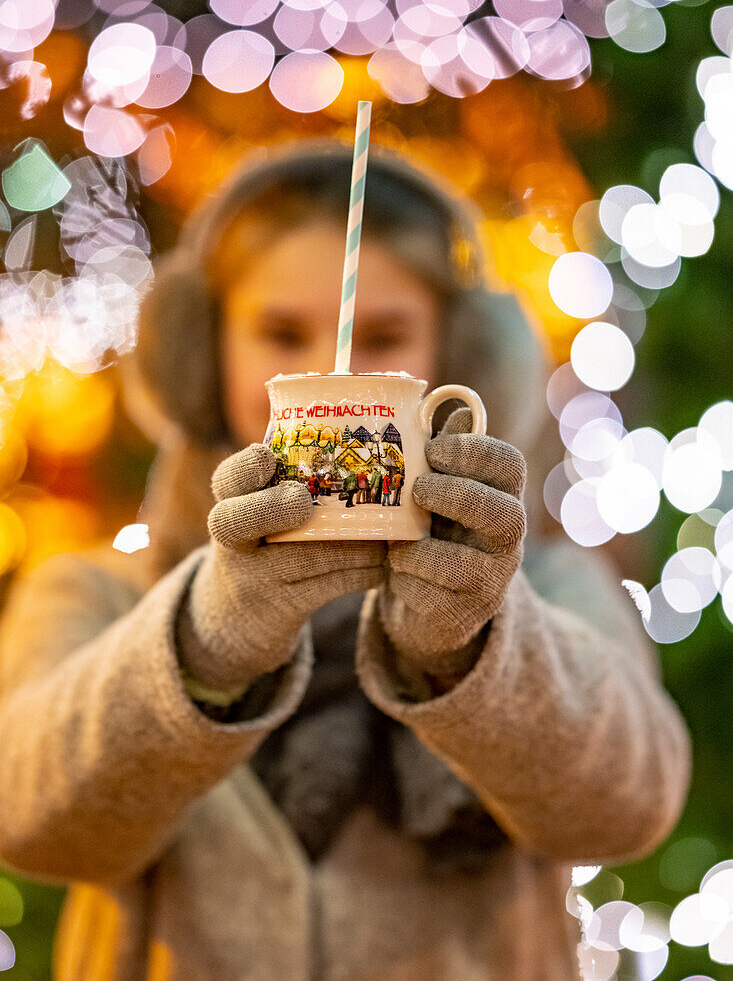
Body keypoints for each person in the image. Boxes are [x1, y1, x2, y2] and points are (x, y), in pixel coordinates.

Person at [0, 140, 690, 981]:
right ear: (202, 356)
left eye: (384, 335)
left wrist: (473, 652)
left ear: (457, 361)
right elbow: (28, 819)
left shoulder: (541, 584)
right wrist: (203, 643)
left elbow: (627, 807)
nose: (332, 373)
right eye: (280, 333)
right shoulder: (95, 590)